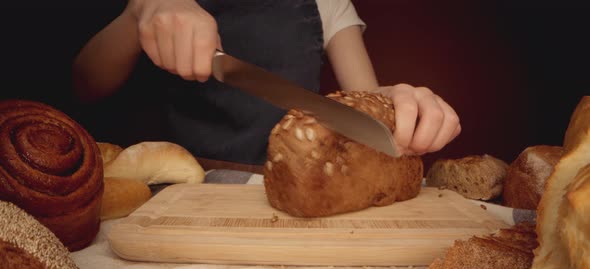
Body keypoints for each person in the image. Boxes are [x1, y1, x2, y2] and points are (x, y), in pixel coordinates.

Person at [73, 0, 461, 165]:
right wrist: (140, 10)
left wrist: (398, 103)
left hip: (284, 191)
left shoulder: (326, 2)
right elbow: (82, 87)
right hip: (175, 197)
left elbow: (363, 97)